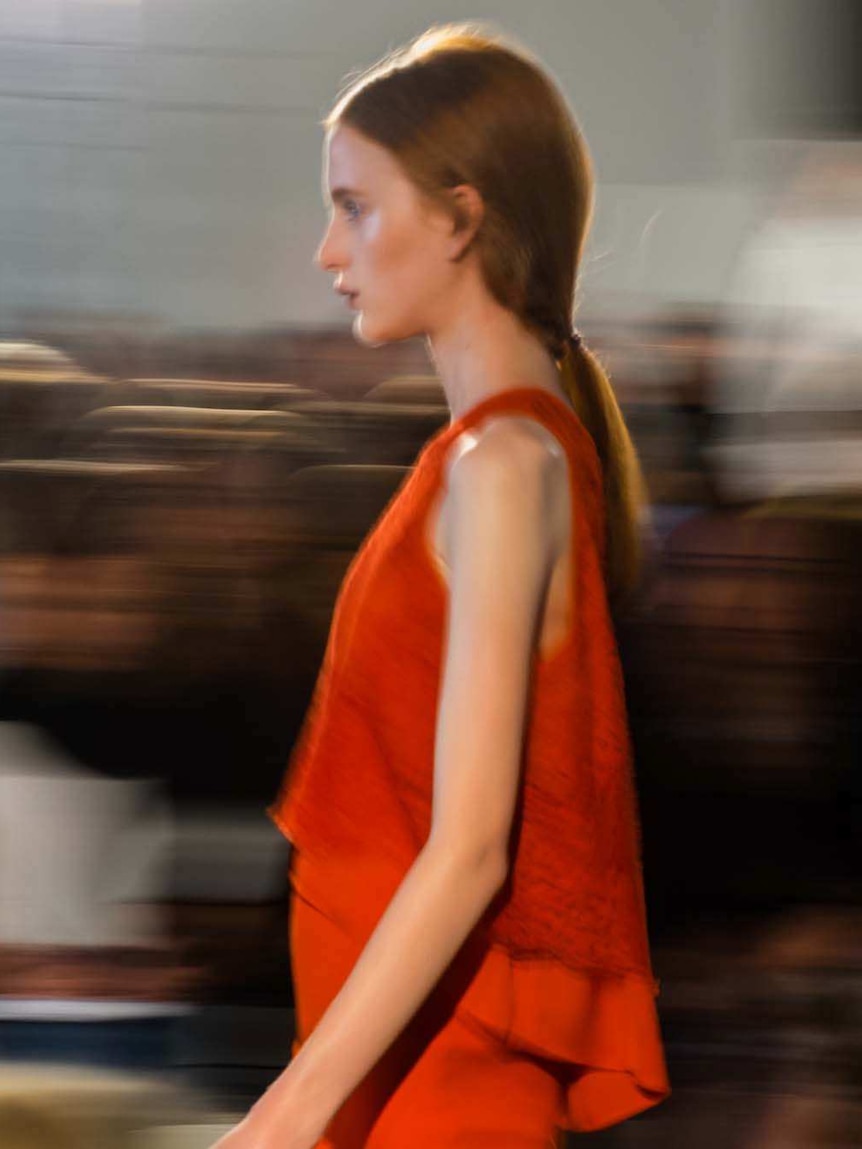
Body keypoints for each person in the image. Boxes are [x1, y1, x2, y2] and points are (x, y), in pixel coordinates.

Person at [213, 21, 671, 1149]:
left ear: (462, 217)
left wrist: (280, 1121)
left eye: (355, 207)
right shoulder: (497, 458)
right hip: (402, 1067)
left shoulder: (503, 467)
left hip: (439, 1084)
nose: (328, 251)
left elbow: (469, 850)